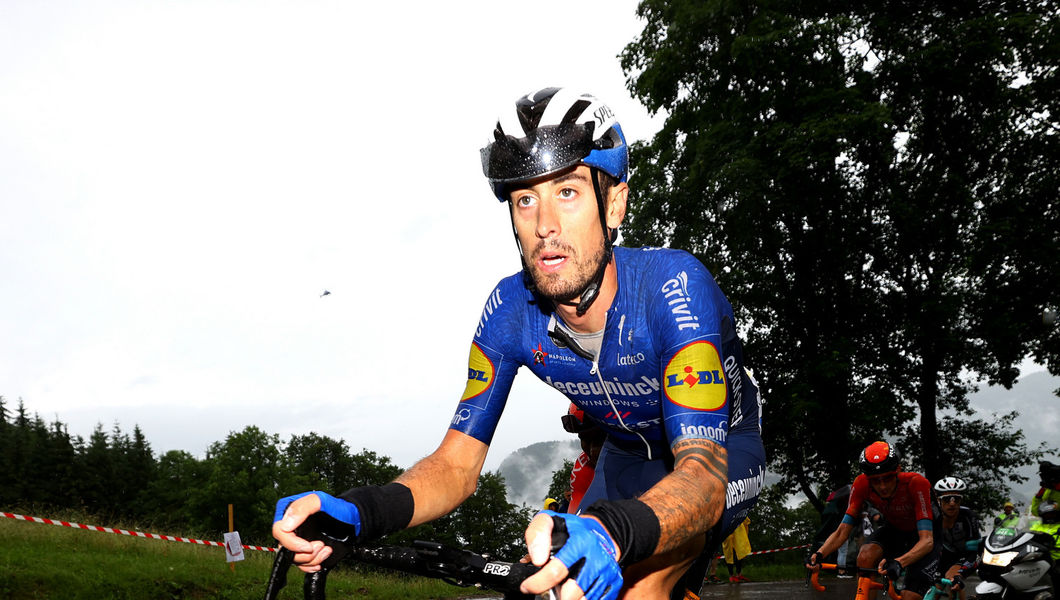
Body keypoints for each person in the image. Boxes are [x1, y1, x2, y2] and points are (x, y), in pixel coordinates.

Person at [271, 87, 766, 600]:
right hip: (622, 455)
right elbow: (457, 466)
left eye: (568, 192)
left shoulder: (673, 287)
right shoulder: (509, 312)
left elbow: (703, 476)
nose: (544, 225)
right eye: (525, 199)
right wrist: (362, 511)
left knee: (641, 586)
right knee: (564, 585)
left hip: (721, 452)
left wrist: (615, 532)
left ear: (614, 204)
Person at [805, 441, 939, 600]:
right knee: (865, 557)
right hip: (895, 529)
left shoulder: (916, 483)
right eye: (875, 480)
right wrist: (819, 555)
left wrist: (899, 562)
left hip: (925, 535)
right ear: (868, 478)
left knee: (909, 596)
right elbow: (842, 531)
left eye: (888, 478)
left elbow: (927, 541)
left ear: (898, 470)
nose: (882, 486)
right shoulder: (861, 484)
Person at [931, 477, 981, 600]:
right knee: (933, 590)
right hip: (945, 556)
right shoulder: (933, 517)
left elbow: (974, 551)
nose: (952, 503)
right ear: (939, 501)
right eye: (947, 499)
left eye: (956, 499)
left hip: (968, 555)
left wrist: (959, 570)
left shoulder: (969, 516)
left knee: (953, 581)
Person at [721, 517, 752, 583]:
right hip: (728, 532)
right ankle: (731, 575)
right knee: (729, 553)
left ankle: (739, 574)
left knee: (739, 552)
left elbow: (745, 517)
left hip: (738, 531)